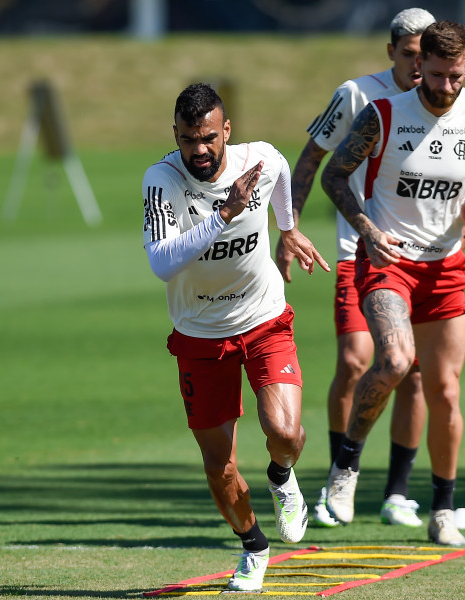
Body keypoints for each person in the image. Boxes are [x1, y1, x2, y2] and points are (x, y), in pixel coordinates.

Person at [142, 83, 330, 591]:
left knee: (286, 433)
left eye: (207, 138)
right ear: (175, 136)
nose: (198, 151)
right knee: (219, 468)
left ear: (227, 131)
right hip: (200, 335)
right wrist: (224, 214)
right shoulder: (162, 180)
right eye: (186, 140)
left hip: (264, 318)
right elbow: (162, 263)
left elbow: (284, 173)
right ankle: (253, 545)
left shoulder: (260, 160)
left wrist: (288, 228)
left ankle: (280, 475)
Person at [320, 20, 465, 545]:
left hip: (444, 267)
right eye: (438, 75)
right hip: (388, 260)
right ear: (418, 64)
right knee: (396, 362)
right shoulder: (382, 115)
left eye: (457, 77)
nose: (447, 88)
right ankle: (346, 465)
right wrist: (368, 231)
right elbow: (335, 175)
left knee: (445, 390)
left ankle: (442, 509)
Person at [275, 7, 435, 529]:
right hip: (356, 251)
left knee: (411, 373)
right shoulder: (356, 94)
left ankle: (398, 493)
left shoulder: (446, 103)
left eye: (424, 56)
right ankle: (339, 476)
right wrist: (290, 226)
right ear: (391, 51)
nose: (417, 66)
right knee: (353, 359)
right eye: (408, 55)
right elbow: (309, 159)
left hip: (420, 258)